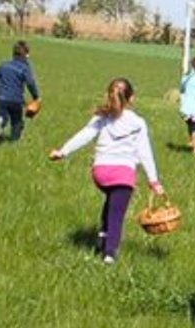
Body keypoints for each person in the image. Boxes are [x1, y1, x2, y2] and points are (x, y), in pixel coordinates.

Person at [49, 78, 164, 264]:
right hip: (122, 174)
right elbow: (145, 153)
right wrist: (154, 180)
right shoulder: (138, 123)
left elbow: (84, 135)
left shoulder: (101, 117)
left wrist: (63, 151)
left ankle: (102, 241)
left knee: (110, 206)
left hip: (100, 172)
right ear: (131, 99)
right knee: (117, 215)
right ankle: (109, 254)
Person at [0, 40, 40, 142]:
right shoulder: (25, 68)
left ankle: (0, 121)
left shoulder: (4, 65)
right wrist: (35, 96)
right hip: (16, 100)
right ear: (26, 55)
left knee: (1, 115)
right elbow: (30, 83)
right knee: (17, 122)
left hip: (1, 98)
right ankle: (14, 141)